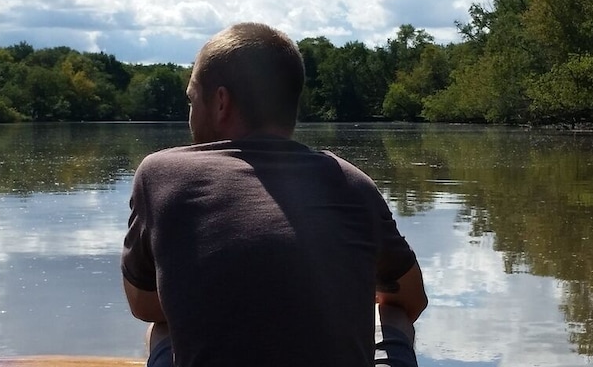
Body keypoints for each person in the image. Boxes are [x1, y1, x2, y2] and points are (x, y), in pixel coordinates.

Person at [121, 23, 429, 367]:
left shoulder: (161, 174)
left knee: (160, 330)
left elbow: (144, 304)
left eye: (192, 99)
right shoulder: (351, 182)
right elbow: (410, 300)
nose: (190, 113)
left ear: (221, 102)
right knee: (392, 318)